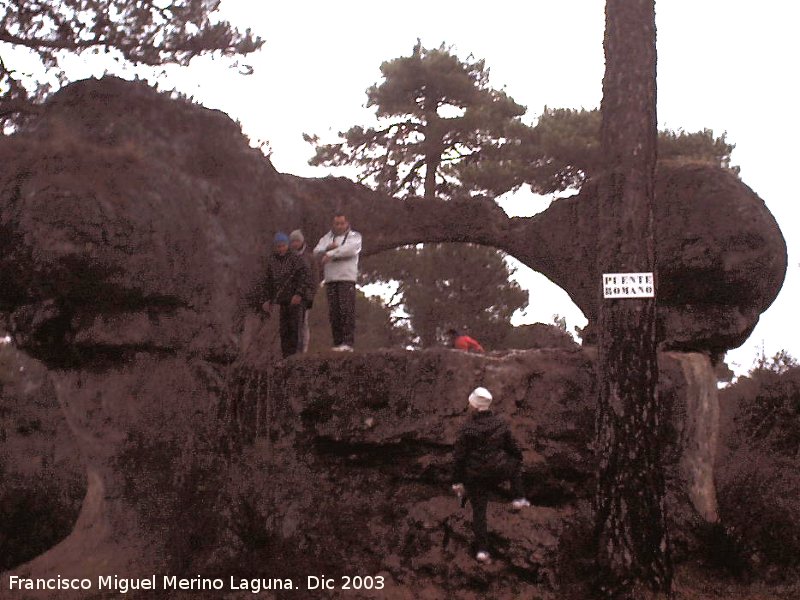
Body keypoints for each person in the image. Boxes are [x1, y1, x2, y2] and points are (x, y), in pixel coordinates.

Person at [452, 386, 530, 563]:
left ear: (473, 406)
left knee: (479, 512)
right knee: (514, 464)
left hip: (476, 476)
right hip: (498, 470)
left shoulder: (466, 428)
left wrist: (457, 481)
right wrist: (517, 459)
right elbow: (513, 447)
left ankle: (482, 551)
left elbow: (459, 458)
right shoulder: (500, 423)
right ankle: (518, 498)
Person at [313, 212, 362, 352]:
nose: (339, 226)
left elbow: (350, 250)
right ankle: (337, 343)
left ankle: (348, 343)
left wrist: (331, 254)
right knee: (334, 313)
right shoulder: (327, 237)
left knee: (346, 310)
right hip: (330, 279)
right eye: (337, 223)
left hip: (346, 279)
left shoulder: (355, 236)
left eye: (342, 223)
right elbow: (317, 251)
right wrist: (327, 249)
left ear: (347, 223)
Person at [261, 232, 313, 358]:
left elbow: (304, 277)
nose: (281, 249)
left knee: (296, 330)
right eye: (278, 246)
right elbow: (268, 281)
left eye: (283, 246)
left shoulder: (295, 259)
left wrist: (299, 294)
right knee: (284, 331)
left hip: (296, 301)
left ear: (287, 245)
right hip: (282, 301)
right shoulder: (272, 261)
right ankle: (286, 358)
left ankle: (297, 357)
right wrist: (268, 299)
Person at [289, 229, 320, 353]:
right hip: (290, 297)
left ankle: (303, 349)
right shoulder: (288, 258)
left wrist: (311, 294)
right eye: (293, 241)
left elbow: (315, 277)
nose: (295, 244)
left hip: (305, 297)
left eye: (297, 241)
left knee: (303, 323)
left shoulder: (310, 258)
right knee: (291, 325)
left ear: (302, 241)